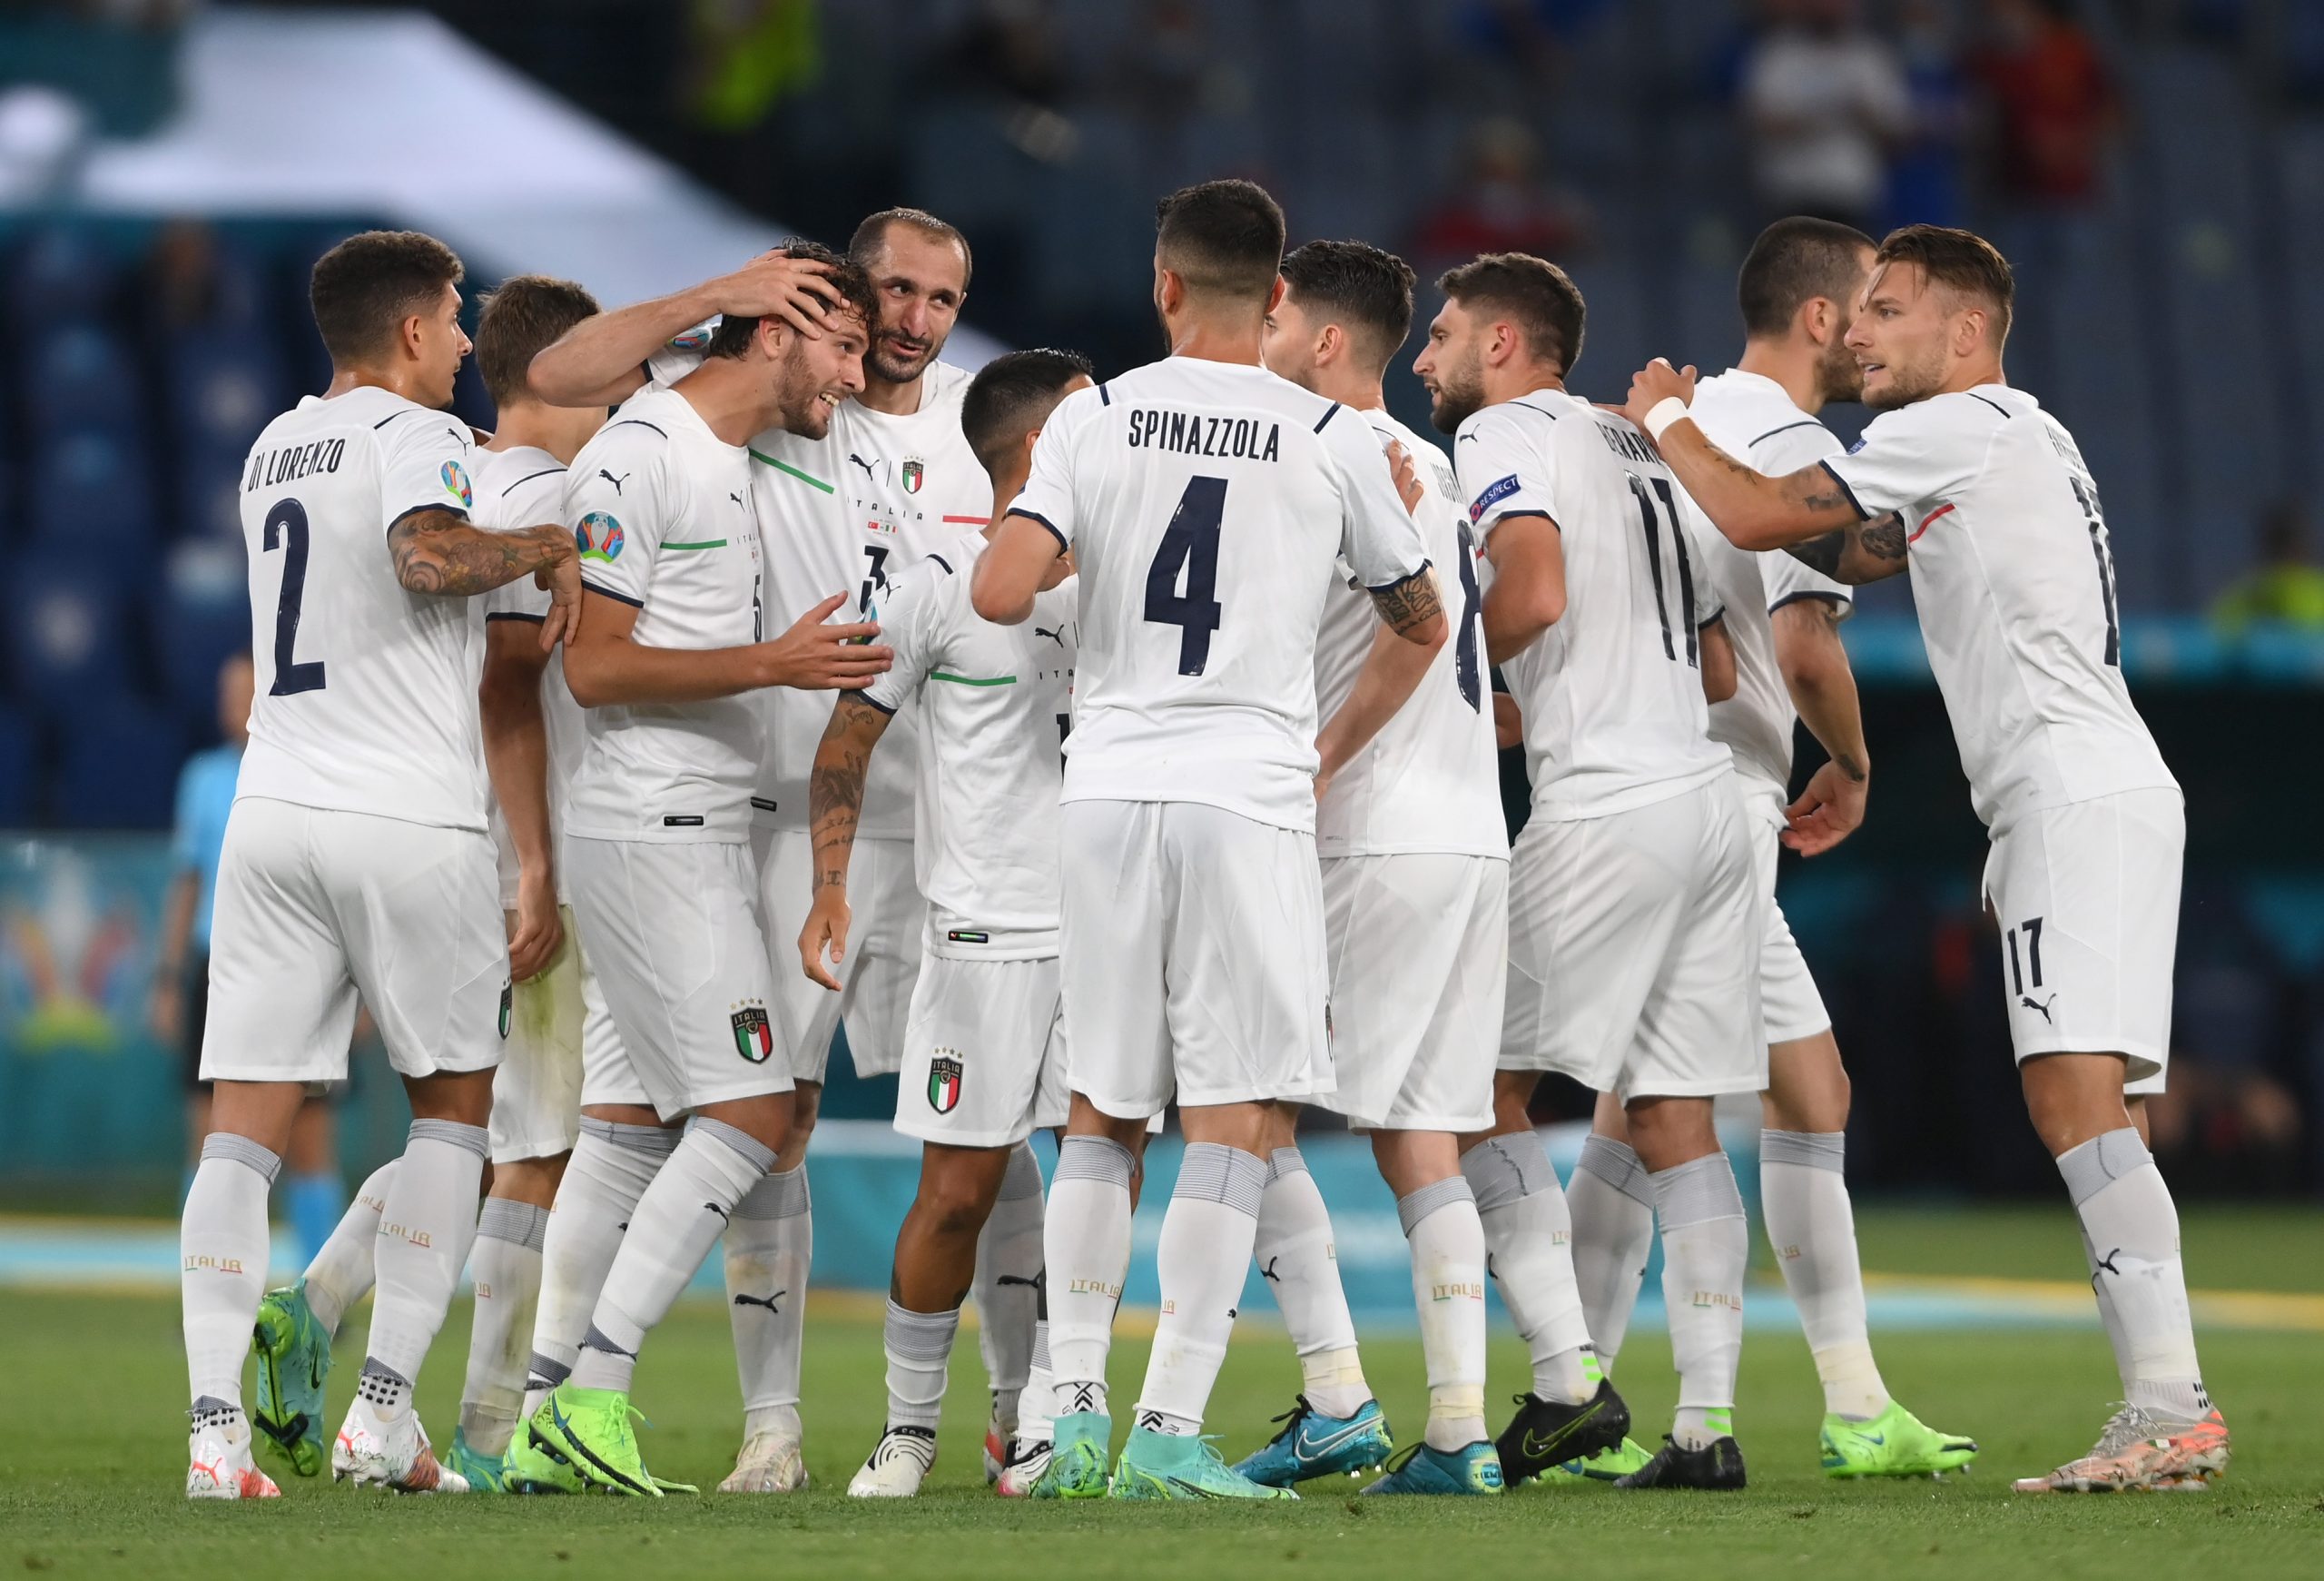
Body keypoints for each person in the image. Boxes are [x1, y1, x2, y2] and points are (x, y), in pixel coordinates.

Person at [1624, 222, 2228, 1493]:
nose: (1861, 331)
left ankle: (2171, 1407)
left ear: (1964, 330)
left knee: (2072, 1101)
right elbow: (1844, 545)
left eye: (1889, 311)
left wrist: (1670, 417)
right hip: (2095, 785)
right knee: (2104, 1110)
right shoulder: (2023, 431)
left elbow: (1756, 512)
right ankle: (2164, 1403)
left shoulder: (1950, 425)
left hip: (2066, 791)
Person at [528, 213, 1035, 1493]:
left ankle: (1021, 1414)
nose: (913, 323)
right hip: (786, 810)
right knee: (767, 1114)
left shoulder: (989, 423)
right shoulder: (774, 411)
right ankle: (767, 1429)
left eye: (943, 298)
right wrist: (728, 289)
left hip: (961, 818)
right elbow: (562, 373)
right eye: (894, 292)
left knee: (996, 1122)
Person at [971, 178, 1444, 1500]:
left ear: (1164, 285)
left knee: (1102, 1110)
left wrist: (1093, 542)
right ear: (1277, 293)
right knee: (1235, 1115)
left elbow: (1001, 589)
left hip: (1106, 787)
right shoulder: (1331, 433)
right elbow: (1420, 616)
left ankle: (1070, 1415)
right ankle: (1167, 1431)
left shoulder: (1092, 416)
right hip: (1245, 792)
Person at [182, 229, 584, 1500]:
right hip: (404, 813)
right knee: (455, 1116)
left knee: (240, 1136)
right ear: (410, 330)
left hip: (271, 810)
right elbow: (426, 557)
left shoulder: (273, 444)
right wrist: (545, 545)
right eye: (456, 319)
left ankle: (214, 1440)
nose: (466, 342)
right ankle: (381, 1418)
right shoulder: (420, 438)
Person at [1575, 216, 1974, 1478]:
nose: (1876, 330)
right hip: (1717, 805)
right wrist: (1850, 764)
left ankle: (1844, 1401)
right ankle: (1589, 1399)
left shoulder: (1686, 426)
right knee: (1651, 1105)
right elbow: (1804, 646)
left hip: (1654, 784)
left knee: (1788, 1094)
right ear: (1816, 318)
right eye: (1869, 307)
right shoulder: (1788, 442)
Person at [510, 242, 891, 1497]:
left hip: (693, 825)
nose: (858, 372)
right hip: (653, 823)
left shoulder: (723, 453)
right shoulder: (644, 451)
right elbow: (595, 667)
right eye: (843, 344)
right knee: (752, 1116)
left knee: (630, 1128)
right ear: (775, 330)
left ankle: (539, 1410)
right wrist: (776, 665)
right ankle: (592, 1392)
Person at [1422, 251, 1759, 1492]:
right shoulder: (1642, 447)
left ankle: (1569, 1385)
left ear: (1504, 344)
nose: (1425, 359)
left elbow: (1535, 590)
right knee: (1676, 1115)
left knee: (1467, 1089)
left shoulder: (1502, 431)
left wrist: (1430, 688)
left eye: (1442, 334)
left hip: (1607, 805)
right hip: (1705, 800)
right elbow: (1717, 670)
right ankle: (1706, 1426)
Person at [799, 348, 1092, 1498]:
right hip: (981, 936)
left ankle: (1050, 1417)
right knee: (958, 1192)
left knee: (1095, 1180)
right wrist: (832, 882)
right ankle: (909, 1429)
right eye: (1089, 420)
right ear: (1040, 447)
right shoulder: (935, 586)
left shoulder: (1130, 581)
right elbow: (847, 740)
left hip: (1110, 929)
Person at [1244, 240, 1506, 1497]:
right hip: (1467, 830)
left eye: (1273, 321)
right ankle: (1457, 1429)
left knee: (1238, 1097)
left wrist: (1316, 759)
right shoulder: (1429, 462)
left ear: (1325, 339)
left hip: (1371, 827)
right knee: (1420, 1136)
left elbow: (1417, 630)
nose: (1258, 341)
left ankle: (1339, 1393)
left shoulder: (1318, 448)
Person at [155, 654, 343, 1264]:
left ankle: (318, 1288)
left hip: (295, 965)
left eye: (245, 690)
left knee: (309, 1137)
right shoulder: (203, 777)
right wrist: (168, 977)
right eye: (227, 692)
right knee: (208, 1136)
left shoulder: (308, 767)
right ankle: (203, 1275)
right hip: (215, 966)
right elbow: (187, 881)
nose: (234, 703)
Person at [1739, 0, 1909, 230]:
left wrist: (1864, 116)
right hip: (1791, 194)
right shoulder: (1778, 53)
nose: (1828, 8)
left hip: (1853, 194)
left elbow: (1898, 130)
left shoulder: (1870, 55)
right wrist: (1814, 118)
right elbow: (1760, 121)